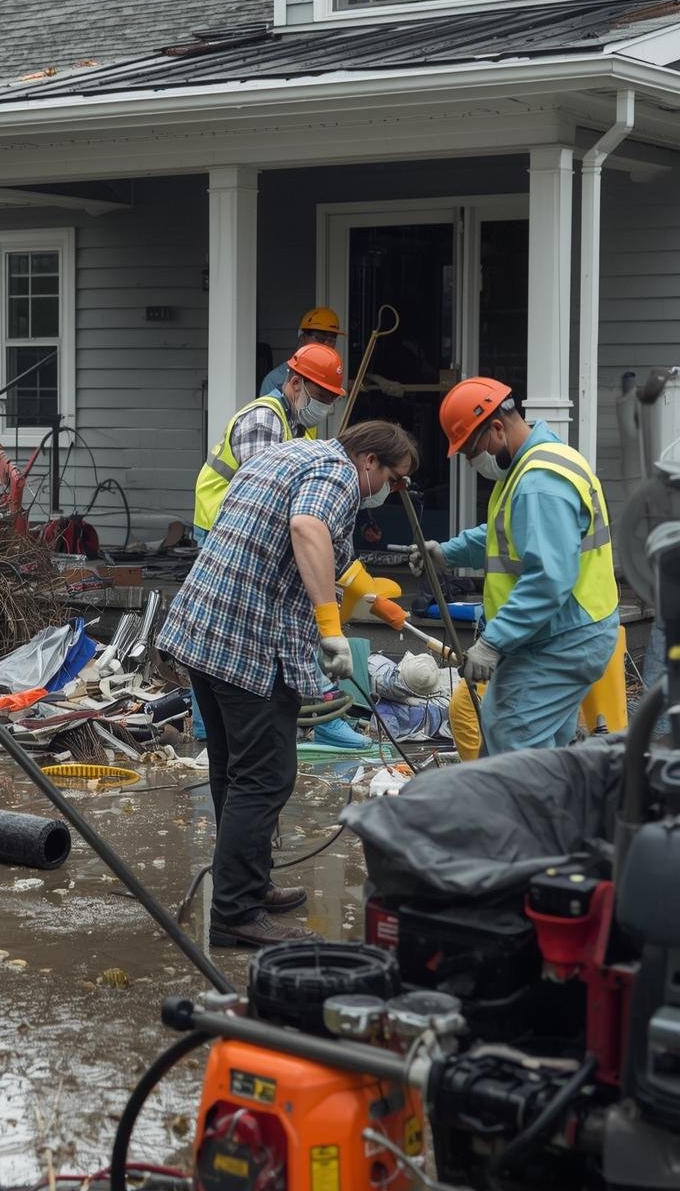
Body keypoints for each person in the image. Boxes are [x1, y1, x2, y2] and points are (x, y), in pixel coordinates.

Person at [161, 420, 419, 948]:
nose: (392, 491)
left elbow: (314, 546)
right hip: (247, 641)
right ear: (369, 460)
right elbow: (306, 528)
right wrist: (330, 629)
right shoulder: (340, 474)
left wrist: (377, 604)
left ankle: (247, 885)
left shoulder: (291, 455)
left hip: (203, 627)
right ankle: (236, 911)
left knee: (234, 770)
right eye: (394, 479)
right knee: (265, 776)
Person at [413, 378, 618, 755]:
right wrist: (446, 552)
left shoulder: (539, 482)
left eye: (472, 451)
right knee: (537, 749)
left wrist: (493, 642)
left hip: (562, 638)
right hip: (564, 632)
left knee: (512, 735)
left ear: (496, 428)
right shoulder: (538, 462)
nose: (472, 462)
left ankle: (522, 797)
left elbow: (547, 580)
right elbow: (507, 534)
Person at [192, 341, 369, 750]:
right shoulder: (264, 420)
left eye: (331, 399)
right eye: (321, 395)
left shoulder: (298, 426)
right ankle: (212, 727)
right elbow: (268, 497)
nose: (325, 406)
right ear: (294, 382)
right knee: (223, 627)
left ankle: (222, 725)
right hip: (226, 532)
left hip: (244, 534)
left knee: (223, 628)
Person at [257, 306, 345, 400]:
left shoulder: (331, 378)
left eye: (331, 340)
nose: (326, 344)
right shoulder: (276, 379)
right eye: (319, 338)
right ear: (302, 337)